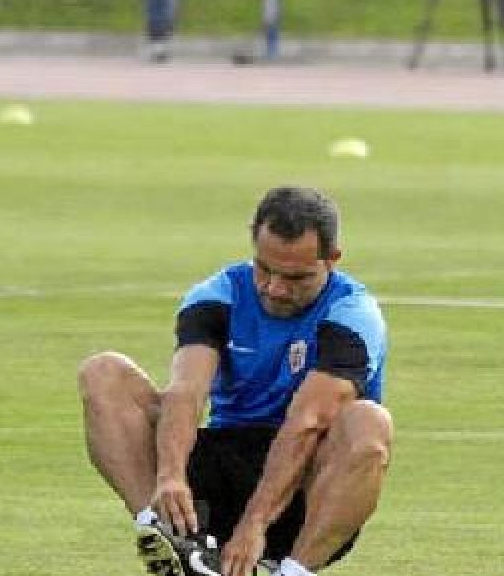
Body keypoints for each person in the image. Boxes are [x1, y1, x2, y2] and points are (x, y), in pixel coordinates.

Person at [79, 186, 391, 576]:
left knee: (368, 422)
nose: (275, 289)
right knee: (104, 373)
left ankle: (295, 570)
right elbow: (187, 391)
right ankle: (173, 540)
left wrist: (254, 524)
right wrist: (170, 476)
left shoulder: (353, 315)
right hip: (223, 467)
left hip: (303, 492)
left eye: (296, 277)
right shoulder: (218, 295)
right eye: (265, 270)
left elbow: (307, 423)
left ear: (332, 259)